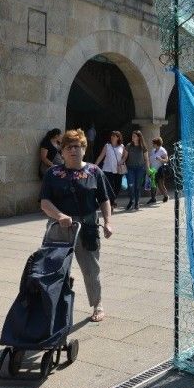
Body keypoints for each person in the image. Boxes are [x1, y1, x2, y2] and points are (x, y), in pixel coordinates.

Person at [40, 130, 113, 322]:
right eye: (68, 147)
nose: (73, 150)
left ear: (84, 149)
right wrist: (60, 215)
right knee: (55, 267)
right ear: (62, 151)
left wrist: (107, 222)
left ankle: (97, 304)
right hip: (60, 226)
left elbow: (104, 199)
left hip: (87, 226)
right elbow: (44, 202)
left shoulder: (94, 172)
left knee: (91, 268)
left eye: (77, 146)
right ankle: (53, 304)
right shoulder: (53, 173)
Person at [95, 131, 125, 210]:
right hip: (107, 169)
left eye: (114, 136)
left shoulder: (122, 146)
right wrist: (95, 165)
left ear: (118, 137)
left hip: (118, 170)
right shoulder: (107, 146)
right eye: (112, 136)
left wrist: (122, 161)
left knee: (118, 187)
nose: (112, 137)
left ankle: (113, 200)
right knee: (110, 187)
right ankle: (111, 203)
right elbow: (101, 156)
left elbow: (124, 157)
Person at [124, 130, 148, 211]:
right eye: (132, 136)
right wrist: (120, 162)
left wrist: (148, 170)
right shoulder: (128, 145)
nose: (132, 137)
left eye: (134, 136)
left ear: (138, 137)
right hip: (130, 168)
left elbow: (146, 159)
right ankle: (131, 200)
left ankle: (137, 202)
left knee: (137, 186)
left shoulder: (143, 146)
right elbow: (125, 157)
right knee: (131, 186)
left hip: (140, 168)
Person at [148, 137, 170, 204]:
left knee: (161, 185)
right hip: (153, 170)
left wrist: (160, 159)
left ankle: (166, 196)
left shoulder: (162, 150)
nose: (152, 145)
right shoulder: (153, 150)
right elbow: (150, 159)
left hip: (160, 170)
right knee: (153, 185)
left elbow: (166, 160)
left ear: (157, 144)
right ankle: (153, 198)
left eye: (153, 143)